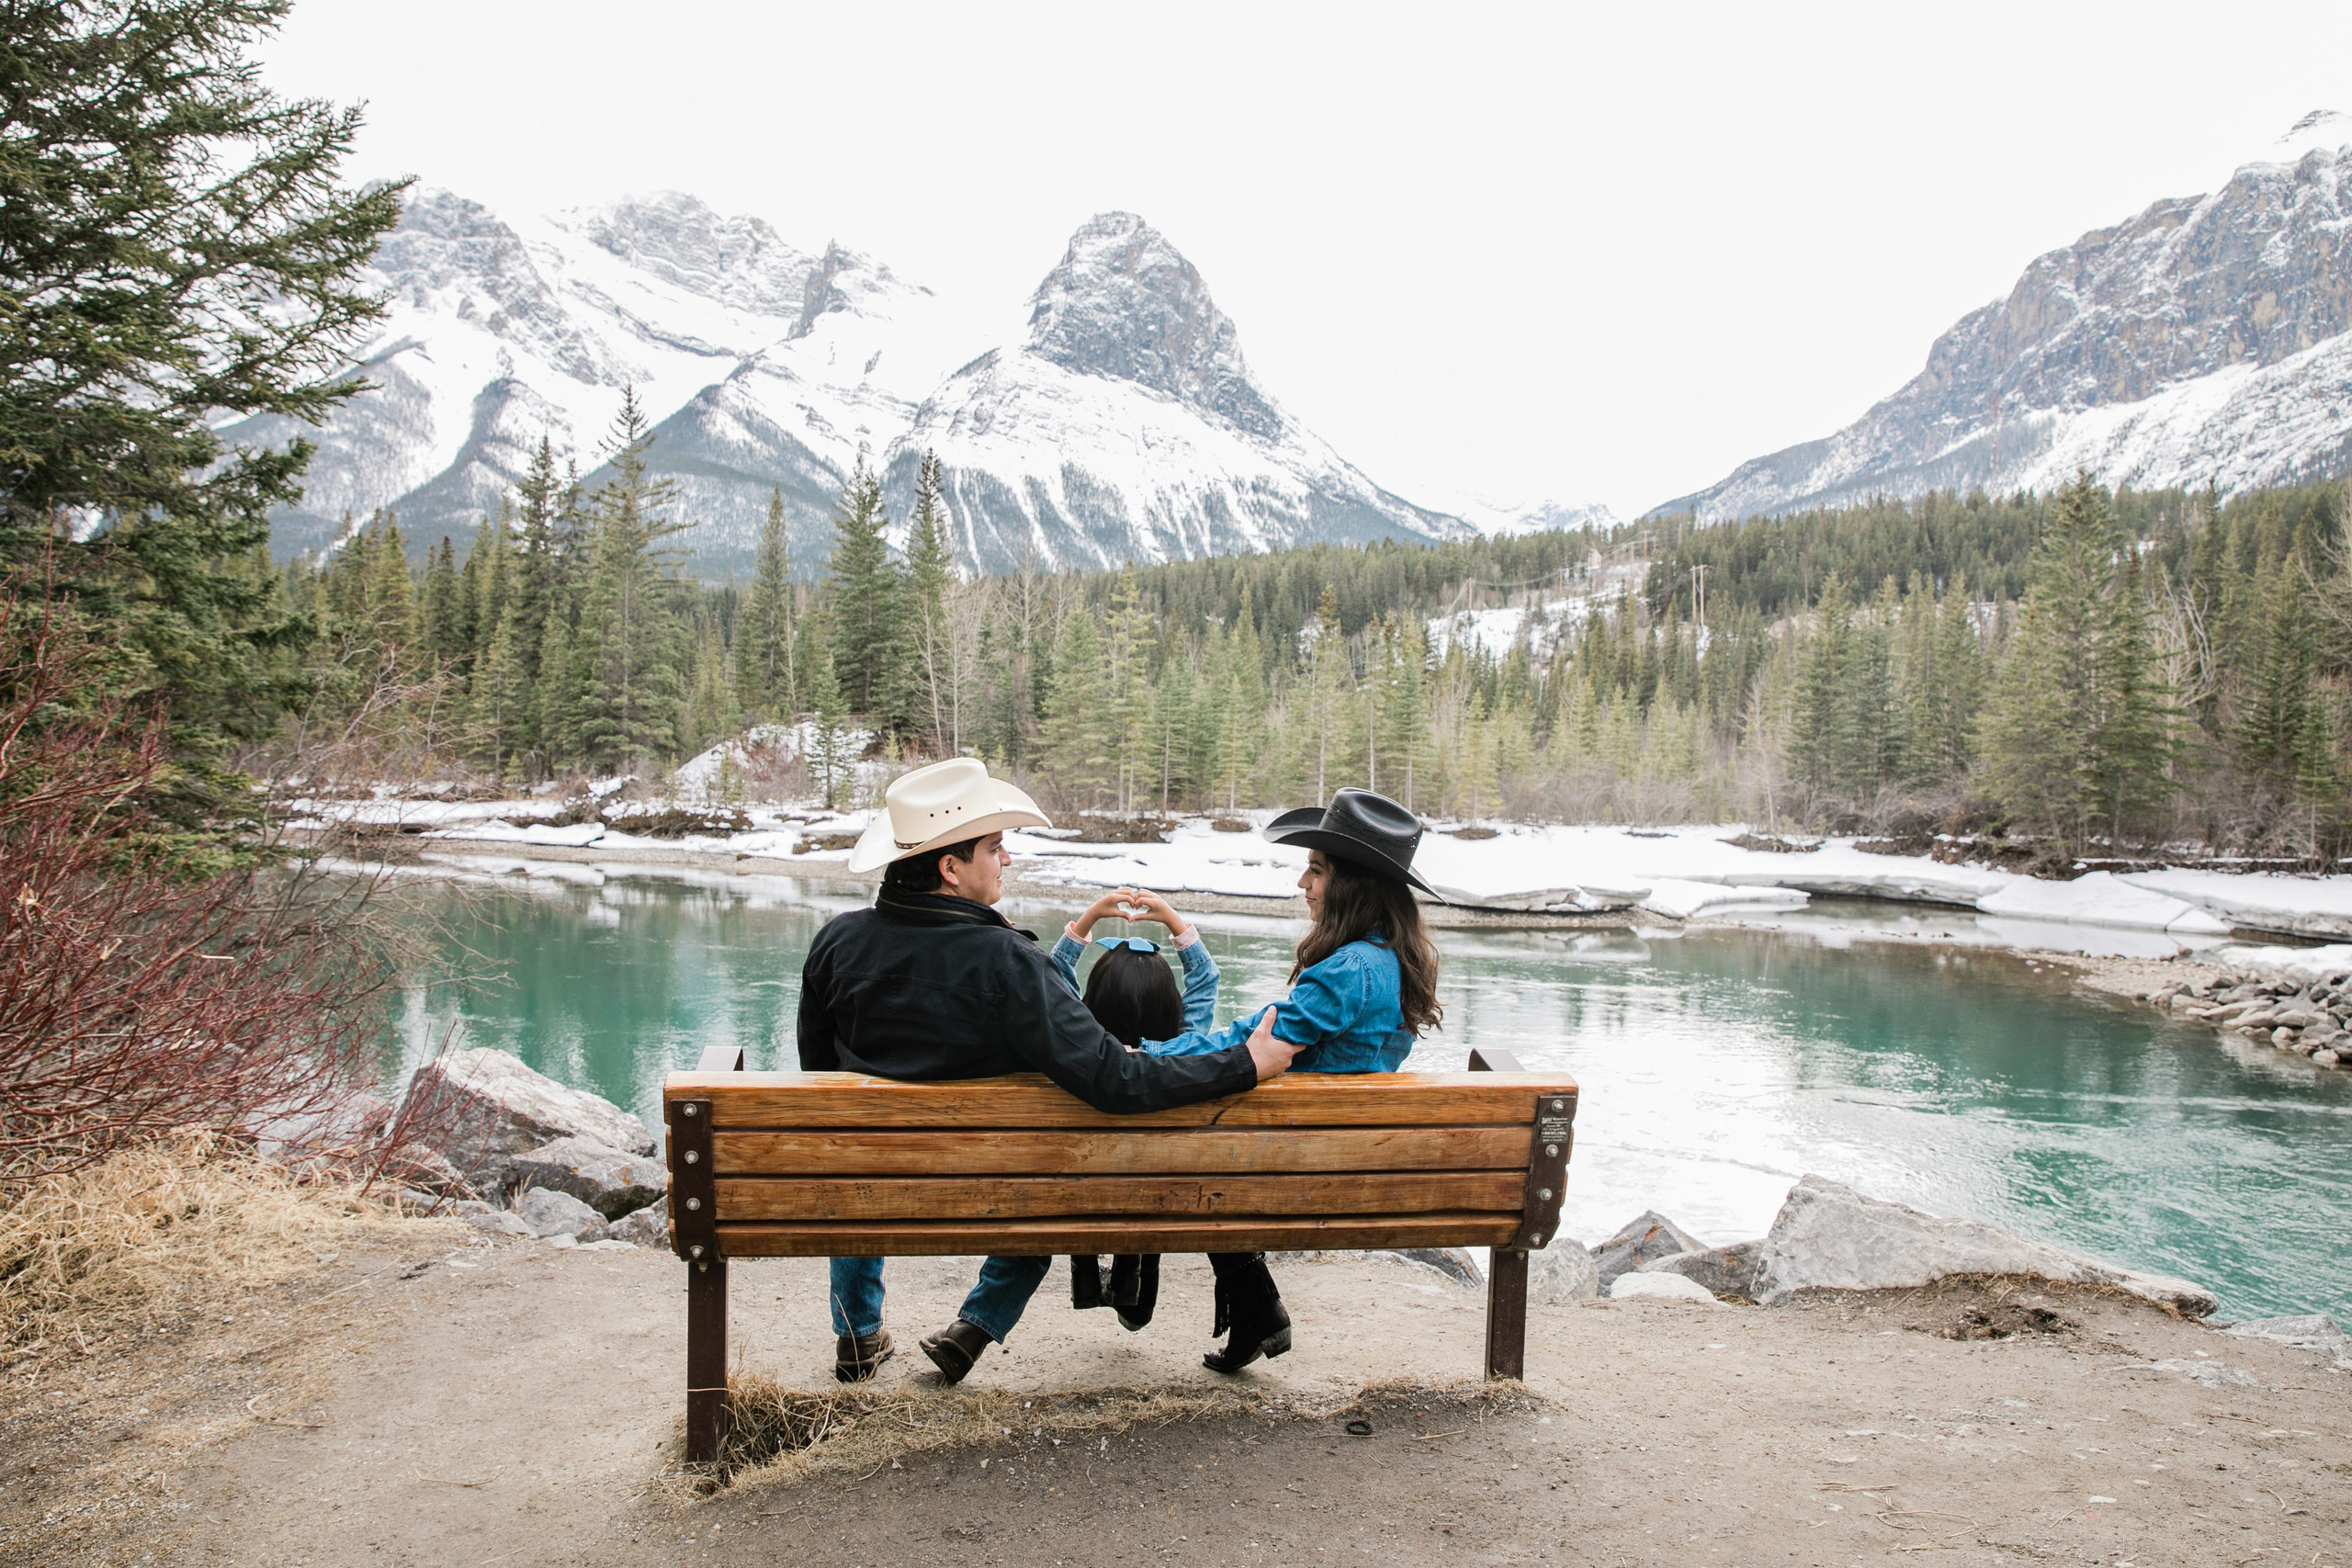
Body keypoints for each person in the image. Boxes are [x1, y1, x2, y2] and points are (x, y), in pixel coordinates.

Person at [797, 759, 1298, 1383]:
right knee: (1042, 1185)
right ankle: (974, 1325)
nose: (1005, 858)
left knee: (852, 1166)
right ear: (951, 868)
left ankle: (858, 1333)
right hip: (993, 1194)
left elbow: (817, 1076)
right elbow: (1115, 1080)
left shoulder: (835, 942)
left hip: (871, 1181)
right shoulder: (1010, 962)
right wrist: (1246, 1062)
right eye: (994, 847)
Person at [1142, 788, 1445, 1371]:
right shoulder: (1398, 963)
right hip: (1346, 1146)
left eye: (1316, 870)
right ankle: (1258, 1315)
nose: (1303, 884)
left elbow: (1255, 1047)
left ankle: (1235, 1307)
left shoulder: (1346, 971)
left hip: (1296, 1154)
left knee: (1182, 1155)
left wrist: (1149, 1053)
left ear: (1351, 883)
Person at [1047, 888, 1219, 1332]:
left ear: (1092, 1002)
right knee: (1148, 1175)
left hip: (1080, 1184)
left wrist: (1088, 920)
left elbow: (1053, 974)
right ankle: (1131, 1283)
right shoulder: (1183, 1050)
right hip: (1154, 1183)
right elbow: (1205, 981)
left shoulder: (1080, 1046)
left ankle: (1086, 1275)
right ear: (1170, 1005)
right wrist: (1172, 921)